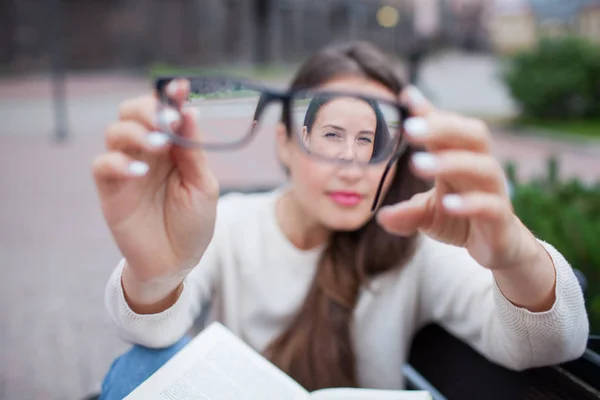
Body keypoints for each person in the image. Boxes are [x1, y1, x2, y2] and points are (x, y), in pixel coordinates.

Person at [93, 41, 589, 399]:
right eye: (331, 134)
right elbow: (152, 334)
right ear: (285, 143)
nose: (352, 164)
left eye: (371, 140)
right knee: (140, 369)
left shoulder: (412, 237)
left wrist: (515, 253)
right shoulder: (232, 225)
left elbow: (550, 344)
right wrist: (157, 273)